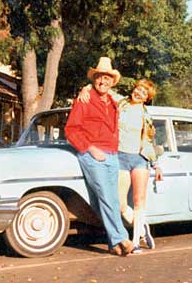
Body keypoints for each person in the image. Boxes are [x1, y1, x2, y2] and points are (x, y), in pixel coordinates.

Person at [78, 78, 164, 254]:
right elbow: (103, 89)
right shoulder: (121, 103)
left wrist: (156, 165)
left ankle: (136, 242)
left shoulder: (146, 115)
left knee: (139, 201)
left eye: (144, 92)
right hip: (120, 157)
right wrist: (85, 88)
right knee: (120, 203)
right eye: (138, 89)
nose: (139, 93)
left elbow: (149, 140)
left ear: (147, 98)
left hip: (140, 159)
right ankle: (141, 229)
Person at [65, 57, 134, 257]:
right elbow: (71, 130)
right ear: (93, 80)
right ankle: (121, 238)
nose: (102, 81)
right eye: (98, 78)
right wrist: (90, 149)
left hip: (113, 155)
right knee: (108, 198)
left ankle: (114, 243)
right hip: (93, 155)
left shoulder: (113, 101)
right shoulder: (84, 100)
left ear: (112, 82)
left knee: (105, 200)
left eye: (106, 78)